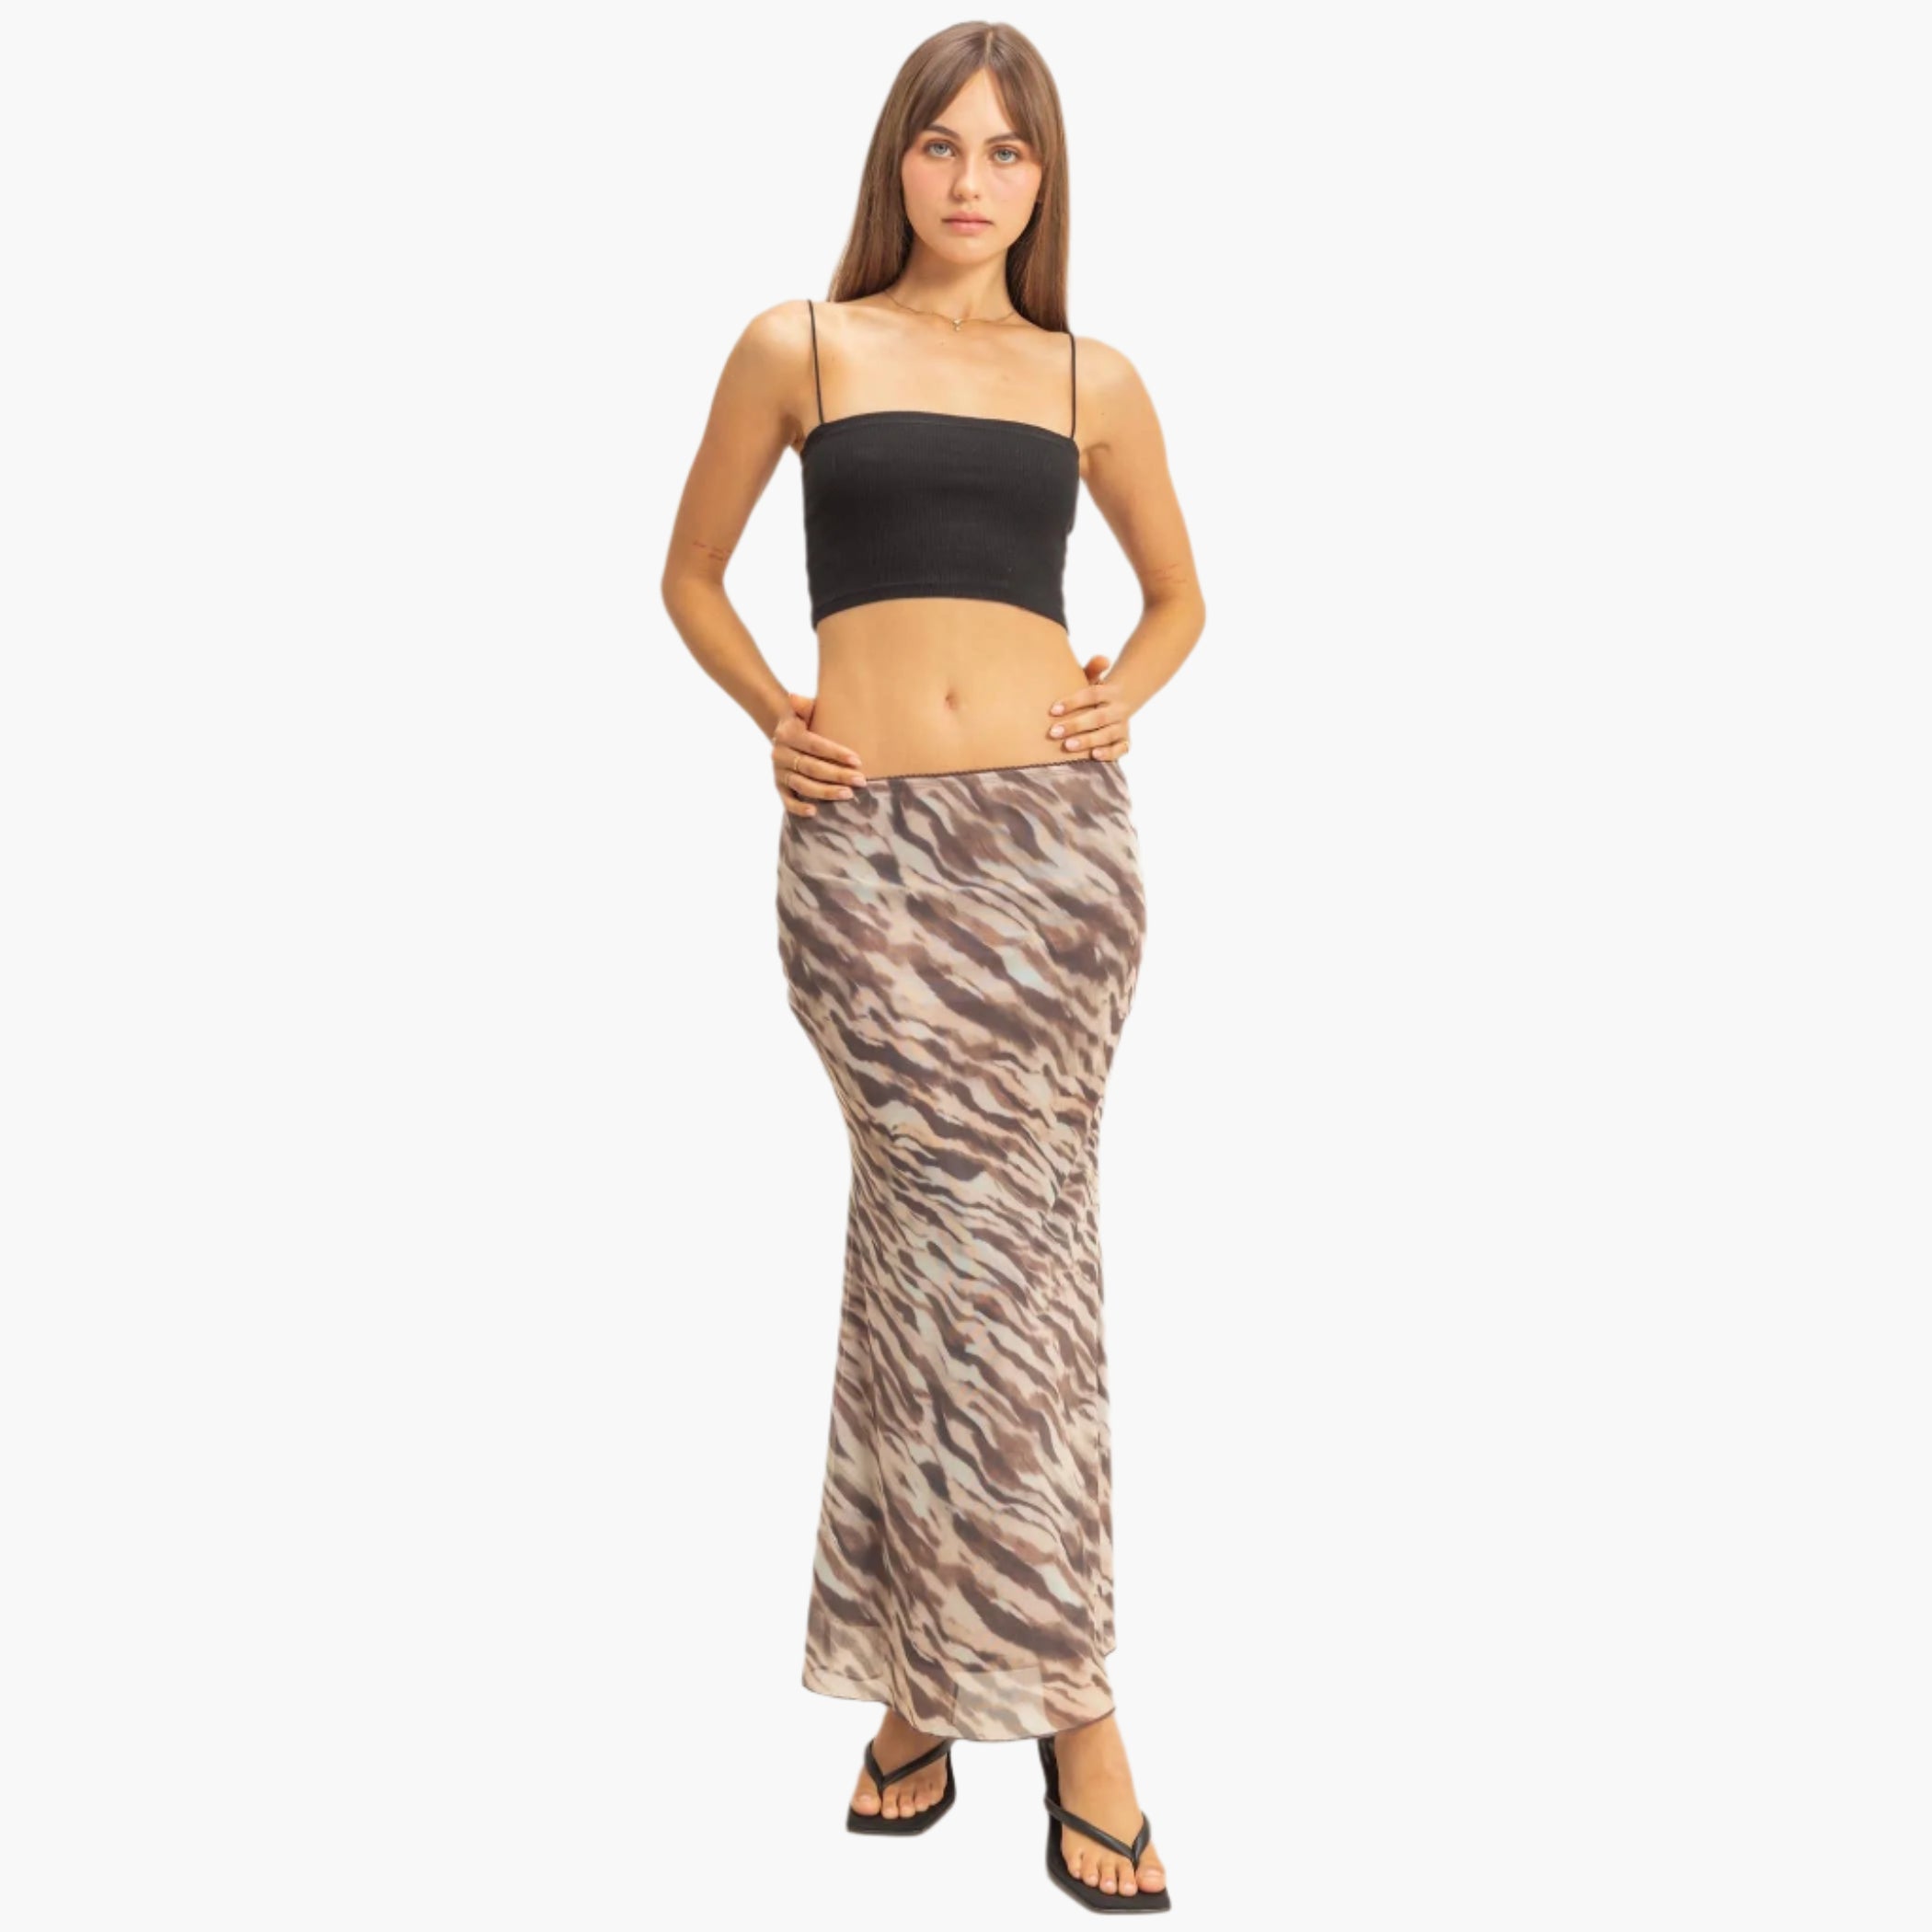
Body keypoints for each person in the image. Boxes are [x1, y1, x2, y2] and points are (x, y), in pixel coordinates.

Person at [661, 23, 1203, 1912]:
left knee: (959, 1277)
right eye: (941, 145)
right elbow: (690, 573)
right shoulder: (799, 348)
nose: (973, 180)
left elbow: (1182, 597)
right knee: (985, 1272)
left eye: (1008, 152)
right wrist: (774, 715)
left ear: (1046, 182)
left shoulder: (1089, 378)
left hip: (1055, 874)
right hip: (871, 869)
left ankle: (920, 1695)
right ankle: (1081, 1718)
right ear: (895, 161)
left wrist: (1119, 700)